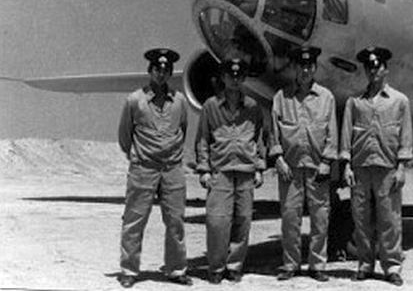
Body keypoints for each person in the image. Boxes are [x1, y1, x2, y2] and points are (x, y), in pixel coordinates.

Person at [118, 48, 192, 288]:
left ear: (170, 73)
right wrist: (140, 157)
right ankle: (129, 270)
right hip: (144, 169)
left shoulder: (180, 101)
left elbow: (183, 129)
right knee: (134, 220)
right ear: (149, 71)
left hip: (172, 169)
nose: (162, 73)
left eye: (166, 70)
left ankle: (176, 270)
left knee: (175, 221)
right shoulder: (134, 101)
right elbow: (124, 137)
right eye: (157, 69)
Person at [340, 46, 413, 287]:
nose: (373, 71)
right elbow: (346, 136)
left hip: (387, 168)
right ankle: (365, 264)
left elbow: (405, 137)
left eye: (377, 66)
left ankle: (391, 266)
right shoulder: (355, 103)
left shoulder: (400, 101)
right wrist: (347, 166)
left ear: (385, 69)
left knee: (389, 219)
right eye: (369, 67)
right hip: (361, 168)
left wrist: (402, 166)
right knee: (361, 219)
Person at [269, 46, 338, 282]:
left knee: (320, 218)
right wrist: (277, 158)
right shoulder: (282, 98)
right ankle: (291, 264)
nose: (306, 70)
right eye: (301, 66)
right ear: (295, 69)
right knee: (290, 217)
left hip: (318, 168)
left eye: (309, 66)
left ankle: (317, 265)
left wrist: (328, 161)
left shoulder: (326, 97)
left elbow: (332, 133)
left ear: (314, 68)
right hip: (290, 168)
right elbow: (274, 132)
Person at [195, 57, 266, 284]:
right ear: (223, 78)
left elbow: (260, 138)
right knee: (217, 220)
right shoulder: (211, 106)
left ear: (243, 79)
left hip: (245, 170)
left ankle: (234, 265)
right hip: (221, 170)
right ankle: (216, 266)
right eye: (230, 75)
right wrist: (204, 169)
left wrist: (259, 168)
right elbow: (203, 139)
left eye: (239, 76)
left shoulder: (253, 107)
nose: (235, 80)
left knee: (243, 220)